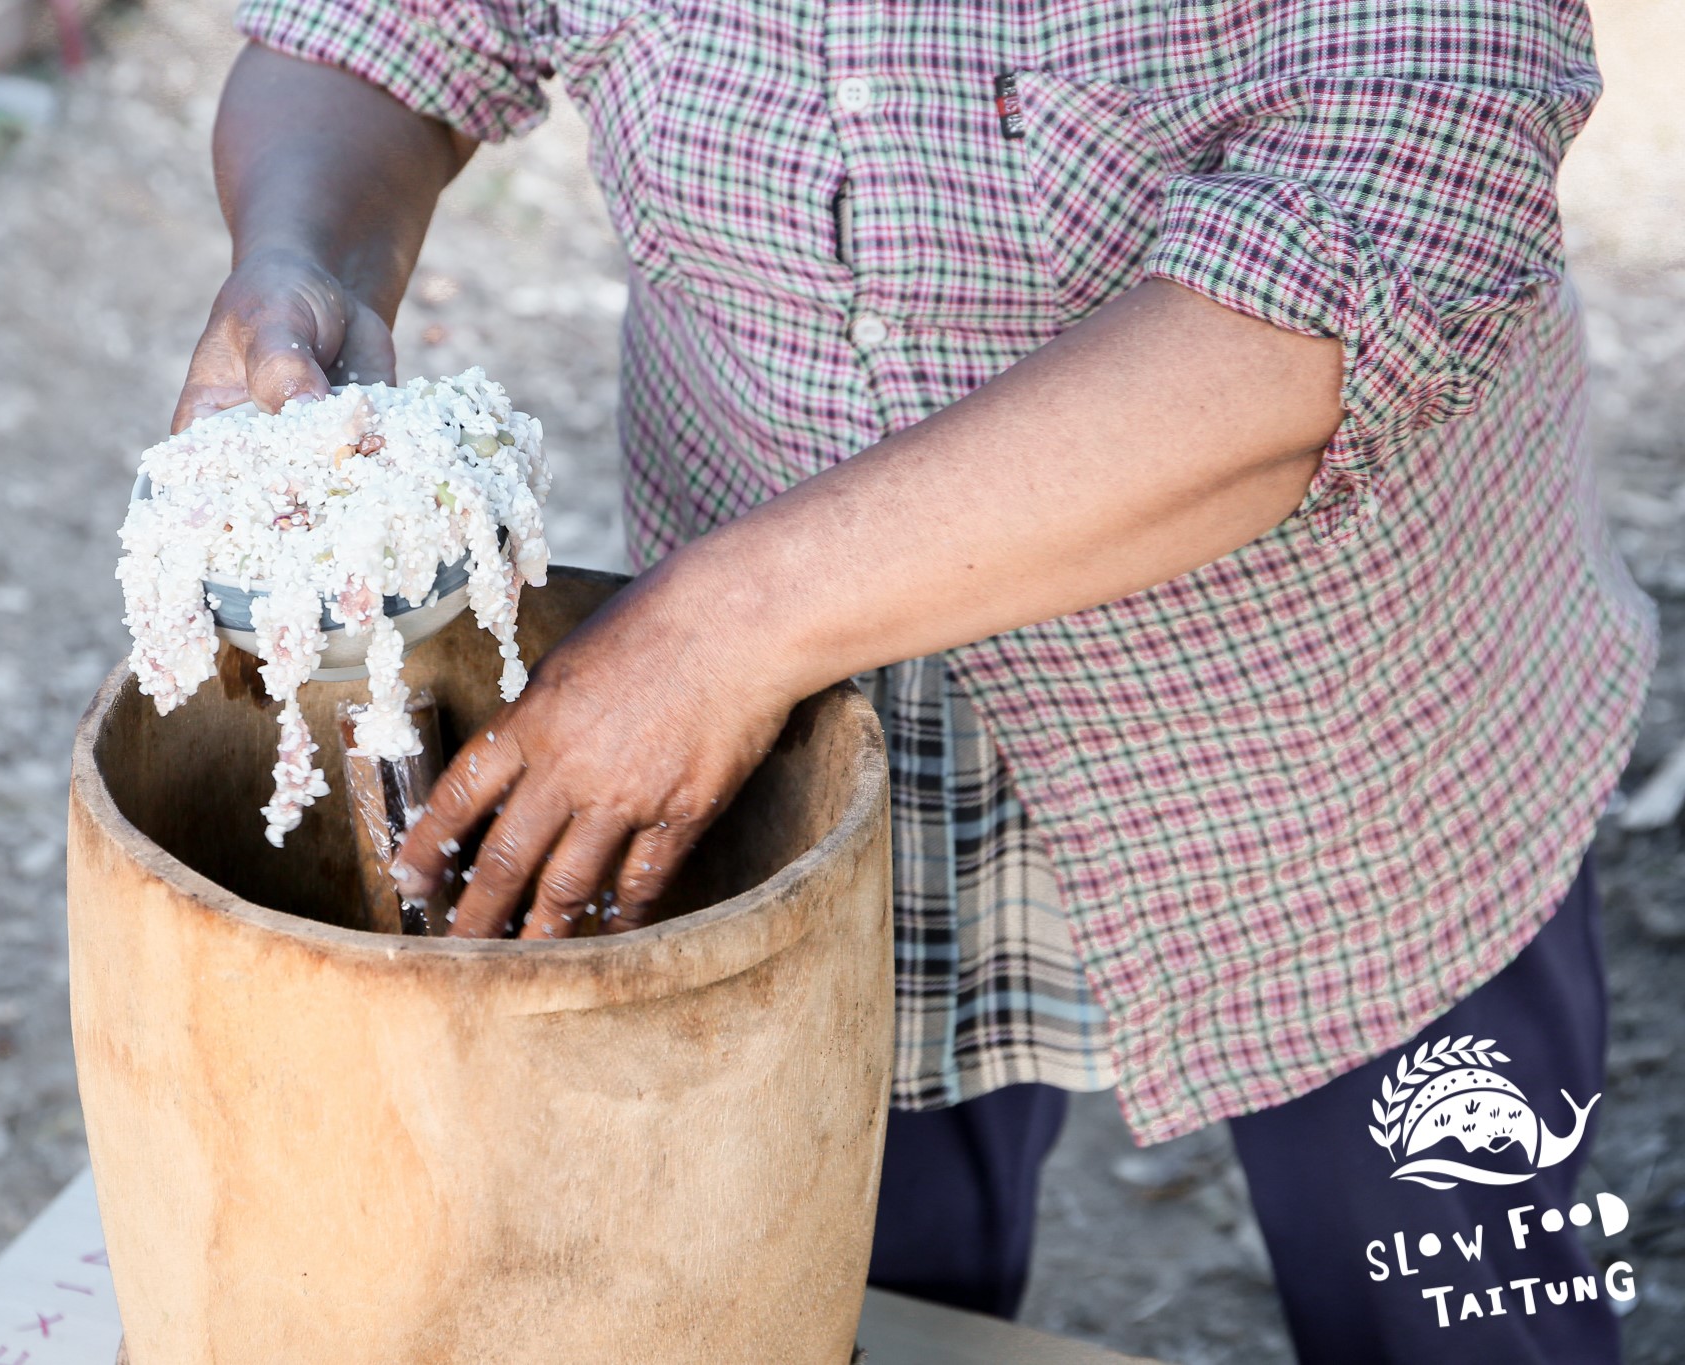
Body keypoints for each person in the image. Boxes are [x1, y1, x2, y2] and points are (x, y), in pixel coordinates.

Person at [173, 2, 1656, 1360]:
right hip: (822, 751)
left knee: (1465, 1305)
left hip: (1337, 738)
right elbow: (379, 30)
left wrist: (729, 627)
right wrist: (302, 251)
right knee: (854, 1292)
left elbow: (1388, 219)